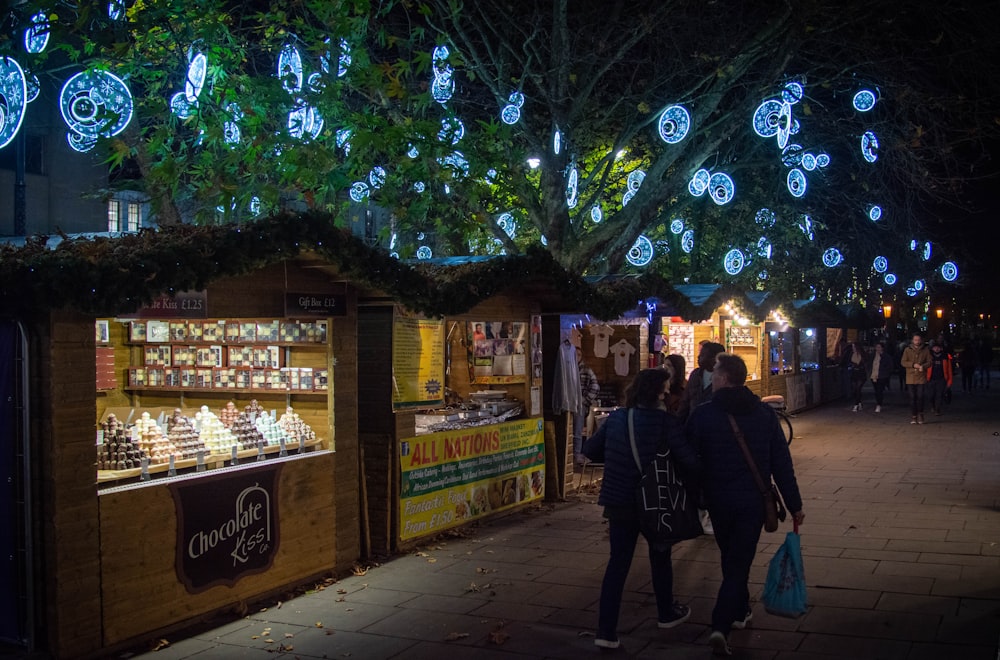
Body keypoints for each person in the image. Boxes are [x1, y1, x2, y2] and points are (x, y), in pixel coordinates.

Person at [686, 354, 804, 657]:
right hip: (753, 501)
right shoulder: (764, 415)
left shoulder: (703, 415)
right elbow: (782, 463)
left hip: (718, 502)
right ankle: (724, 623)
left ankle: (727, 620)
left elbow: (688, 460)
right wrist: (795, 505)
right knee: (737, 561)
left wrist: (695, 493)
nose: (711, 379)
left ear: (725, 379)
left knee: (733, 559)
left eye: (714, 373)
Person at [583, 369, 700, 650]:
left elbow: (590, 449)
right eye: (667, 390)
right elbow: (689, 461)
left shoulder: (618, 419)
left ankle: (606, 631)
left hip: (619, 501)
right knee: (660, 556)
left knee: (617, 564)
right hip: (655, 502)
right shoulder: (666, 423)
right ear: (659, 393)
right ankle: (666, 612)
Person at [677, 341, 726, 421]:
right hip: (693, 425)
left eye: (703, 355)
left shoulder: (724, 378)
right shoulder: (695, 374)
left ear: (713, 358)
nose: (698, 357)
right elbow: (685, 402)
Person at [573, 349, 600, 465]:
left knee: (577, 431)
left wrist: (584, 401)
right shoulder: (568, 369)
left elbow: (595, 387)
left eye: (578, 355)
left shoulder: (586, 370)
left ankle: (577, 454)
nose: (576, 357)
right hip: (569, 404)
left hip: (580, 405)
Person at [900, 332, 931, 424]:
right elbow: (903, 362)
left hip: (921, 376)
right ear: (912, 340)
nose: (917, 342)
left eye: (918, 340)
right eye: (915, 340)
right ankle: (914, 415)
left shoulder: (925, 350)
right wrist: (913, 365)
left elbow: (930, 361)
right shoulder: (907, 350)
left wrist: (923, 366)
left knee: (920, 396)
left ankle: (920, 413)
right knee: (912, 397)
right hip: (911, 376)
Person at [926, 342, 953, 416]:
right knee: (931, 395)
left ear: (941, 348)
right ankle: (933, 406)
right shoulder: (929, 356)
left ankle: (937, 409)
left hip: (941, 379)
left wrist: (950, 381)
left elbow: (949, 369)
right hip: (931, 379)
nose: (936, 349)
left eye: (938, 347)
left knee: (939, 395)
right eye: (935, 347)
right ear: (932, 348)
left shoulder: (945, 357)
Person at [841, 342, 868, 412]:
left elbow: (865, 363)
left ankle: (856, 405)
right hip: (854, 373)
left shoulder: (862, 355)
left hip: (861, 373)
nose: (853, 348)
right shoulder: (851, 354)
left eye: (854, 347)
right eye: (852, 347)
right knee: (855, 389)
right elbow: (846, 361)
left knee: (858, 388)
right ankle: (859, 402)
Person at [869, 342, 893, 412]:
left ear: (882, 348)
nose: (878, 349)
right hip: (873, 375)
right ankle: (878, 402)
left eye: (879, 347)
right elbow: (869, 364)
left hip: (882, 376)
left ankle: (879, 404)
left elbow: (890, 366)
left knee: (879, 390)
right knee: (876, 391)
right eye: (877, 347)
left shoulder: (886, 357)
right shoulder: (873, 356)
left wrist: (886, 373)